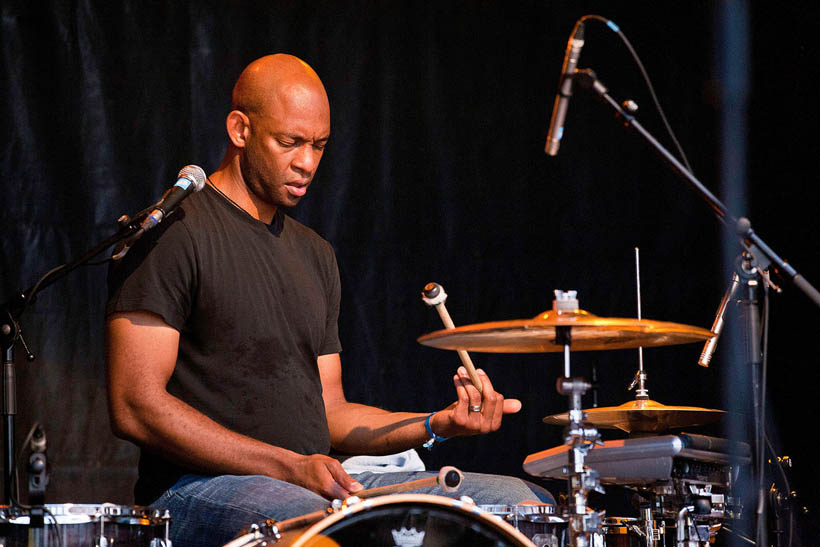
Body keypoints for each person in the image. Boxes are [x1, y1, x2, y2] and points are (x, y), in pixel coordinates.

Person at [106, 53, 552, 547]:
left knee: (522, 507)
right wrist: (290, 465)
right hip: (196, 489)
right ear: (240, 129)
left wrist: (436, 424)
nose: (308, 163)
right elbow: (134, 404)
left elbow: (331, 413)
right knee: (321, 525)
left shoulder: (315, 253)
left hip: (312, 483)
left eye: (319, 146)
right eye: (290, 142)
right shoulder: (172, 232)